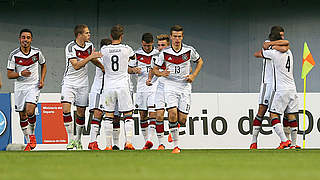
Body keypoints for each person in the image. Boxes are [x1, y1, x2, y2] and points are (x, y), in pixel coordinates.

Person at [153, 25, 204, 153]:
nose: (177, 39)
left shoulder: (189, 50)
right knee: (172, 113)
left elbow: (200, 62)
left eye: (179, 36)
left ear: (182, 37)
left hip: (185, 86)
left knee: (182, 119)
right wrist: (161, 73)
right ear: (170, 37)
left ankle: (175, 129)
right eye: (174, 36)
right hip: (170, 85)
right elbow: (155, 69)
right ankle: (176, 146)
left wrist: (193, 75)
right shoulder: (164, 52)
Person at [61, 24, 104, 150]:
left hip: (83, 83)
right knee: (65, 109)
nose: (89, 35)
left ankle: (78, 140)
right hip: (69, 82)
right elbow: (76, 65)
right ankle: (70, 140)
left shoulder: (89, 46)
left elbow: (92, 60)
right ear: (79, 35)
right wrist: (90, 57)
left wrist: (102, 67)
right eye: (87, 33)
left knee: (81, 112)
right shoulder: (71, 47)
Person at [99, 24, 141, 150]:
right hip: (123, 85)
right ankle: (128, 143)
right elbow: (134, 60)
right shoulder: (127, 49)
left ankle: (108, 145)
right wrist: (129, 67)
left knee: (108, 115)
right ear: (122, 36)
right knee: (128, 115)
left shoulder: (104, 50)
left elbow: (100, 63)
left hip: (109, 86)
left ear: (111, 36)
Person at [255, 32, 298, 149]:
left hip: (280, 89)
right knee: (291, 115)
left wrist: (270, 46)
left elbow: (259, 53)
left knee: (273, 114)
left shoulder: (273, 54)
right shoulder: (290, 51)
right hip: (292, 88)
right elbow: (286, 45)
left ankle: (284, 141)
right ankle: (293, 145)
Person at [7, 28, 47, 151]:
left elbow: (43, 65)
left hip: (33, 86)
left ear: (31, 39)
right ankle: (29, 141)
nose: (26, 40)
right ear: (19, 39)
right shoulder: (14, 55)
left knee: (30, 111)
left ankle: (32, 135)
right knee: (22, 115)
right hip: (19, 88)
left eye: (28, 37)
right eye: (23, 37)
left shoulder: (37, 53)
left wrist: (42, 79)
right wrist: (20, 74)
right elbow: (9, 74)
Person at [130, 33, 159, 150]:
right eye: (146, 45)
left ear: (153, 43)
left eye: (150, 45)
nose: (148, 48)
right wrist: (133, 70)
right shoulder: (136, 54)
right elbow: (128, 69)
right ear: (142, 43)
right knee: (142, 116)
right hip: (141, 89)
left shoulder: (158, 53)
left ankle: (150, 140)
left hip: (154, 87)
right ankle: (146, 141)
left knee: (153, 113)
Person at [146, 34, 170, 150]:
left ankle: (174, 129)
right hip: (160, 87)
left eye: (163, 45)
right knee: (158, 115)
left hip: (174, 88)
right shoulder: (155, 57)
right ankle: (161, 144)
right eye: (159, 45)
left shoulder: (175, 56)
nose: (161, 47)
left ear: (168, 45)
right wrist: (150, 79)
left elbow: (188, 68)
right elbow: (152, 70)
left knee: (175, 116)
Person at [88, 38, 112, 150]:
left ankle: (109, 144)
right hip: (99, 90)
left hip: (107, 90)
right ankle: (92, 142)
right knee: (97, 114)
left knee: (108, 117)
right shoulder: (101, 57)